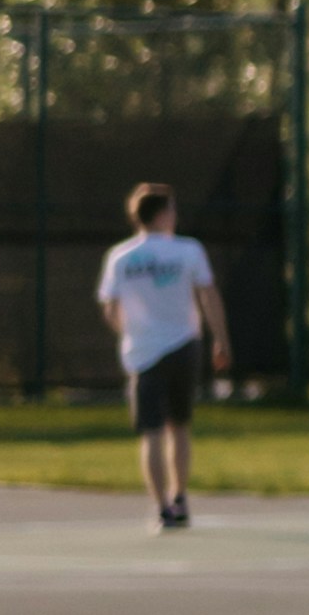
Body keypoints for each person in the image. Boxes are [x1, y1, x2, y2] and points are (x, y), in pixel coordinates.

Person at [95, 175, 232, 534]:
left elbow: (111, 310)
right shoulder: (189, 251)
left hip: (143, 353)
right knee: (179, 427)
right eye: (171, 209)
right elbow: (208, 295)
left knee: (152, 432)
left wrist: (133, 334)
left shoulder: (120, 257)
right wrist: (221, 339)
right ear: (160, 215)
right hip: (185, 346)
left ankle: (162, 507)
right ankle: (179, 497)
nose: (175, 214)